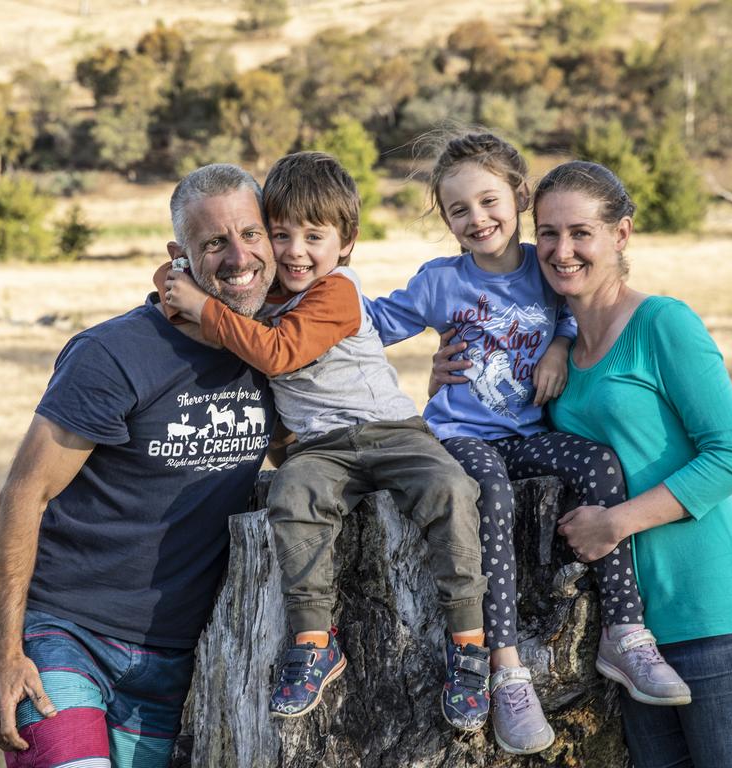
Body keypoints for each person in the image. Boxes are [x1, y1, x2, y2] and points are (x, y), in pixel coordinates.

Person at [365, 133, 687, 755]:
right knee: (486, 489)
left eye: (489, 201)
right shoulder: (440, 281)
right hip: (462, 436)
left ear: (519, 197)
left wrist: (563, 346)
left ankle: (625, 631)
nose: (477, 219)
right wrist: (311, 290)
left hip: (529, 436)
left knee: (597, 461)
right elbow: (377, 323)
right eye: (458, 210)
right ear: (446, 219)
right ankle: (507, 668)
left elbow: (569, 311)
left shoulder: (544, 268)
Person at [164, 151, 490, 731]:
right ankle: (316, 640)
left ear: (346, 244)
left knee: (449, 488)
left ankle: (468, 640)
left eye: (313, 235)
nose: (293, 251)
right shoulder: (265, 296)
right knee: (292, 496)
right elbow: (183, 282)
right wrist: (178, 283)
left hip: (392, 434)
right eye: (280, 233)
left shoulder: (336, 291)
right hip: (320, 450)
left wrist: (201, 307)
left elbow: (278, 352)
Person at [0, 163, 279, 768]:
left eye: (251, 235)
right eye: (214, 242)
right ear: (181, 257)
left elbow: (310, 454)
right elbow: (24, 494)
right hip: (68, 636)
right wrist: (3, 655)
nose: (238, 257)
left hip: (178, 661)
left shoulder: (278, 354)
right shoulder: (113, 355)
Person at [533, 160, 732, 767]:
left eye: (581, 232)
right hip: (627, 638)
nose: (562, 249)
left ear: (621, 234)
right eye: (548, 233)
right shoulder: (561, 354)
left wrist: (617, 522)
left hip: (709, 614)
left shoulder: (663, 324)